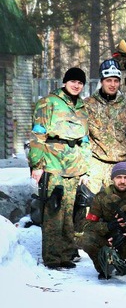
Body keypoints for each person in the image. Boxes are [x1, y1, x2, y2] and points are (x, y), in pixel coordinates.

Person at [29, 67, 92, 268]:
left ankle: (66, 254)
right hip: (53, 163)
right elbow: (38, 135)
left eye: (80, 83)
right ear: (65, 82)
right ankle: (52, 257)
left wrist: (85, 169)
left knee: (68, 212)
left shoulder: (82, 107)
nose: (76, 85)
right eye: (73, 81)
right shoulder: (48, 103)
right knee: (53, 211)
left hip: (74, 166)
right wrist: (36, 165)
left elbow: (85, 140)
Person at [84, 59, 126, 193]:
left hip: (120, 164)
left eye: (116, 81)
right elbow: (82, 137)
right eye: (108, 80)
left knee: (118, 208)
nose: (112, 84)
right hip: (95, 164)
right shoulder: (88, 104)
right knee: (89, 207)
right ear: (102, 81)